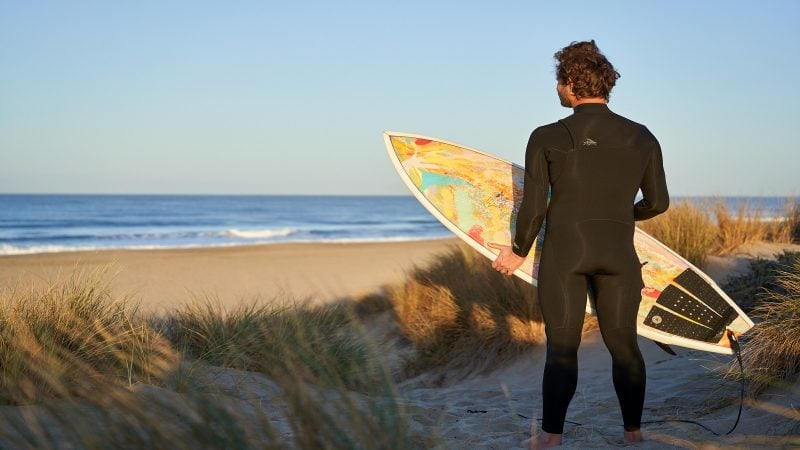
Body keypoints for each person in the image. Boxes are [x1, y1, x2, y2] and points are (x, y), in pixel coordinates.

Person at [488, 40, 669, 448]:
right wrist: (620, 217)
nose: (557, 89)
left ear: (570, 83)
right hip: (621, 257)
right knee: (624, 345)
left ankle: (551, 436)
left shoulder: (547, 136)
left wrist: (517, 251)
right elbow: (658, 203)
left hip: (566, 255)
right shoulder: (643, 137)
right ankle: (634, 434)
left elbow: (533, 207)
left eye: (558, 81)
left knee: (563, 347)